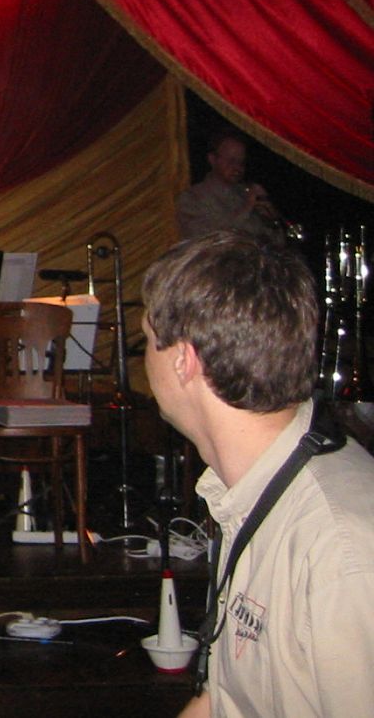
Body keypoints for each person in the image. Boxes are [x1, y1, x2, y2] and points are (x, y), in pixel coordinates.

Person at [141, 232, 374, 716]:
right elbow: (225, 700)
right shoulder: (251, 486)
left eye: (146, 340)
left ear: (184, 361)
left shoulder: (342, 550)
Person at [175, 129, 286, 244]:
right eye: (231, 161)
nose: (237, 168)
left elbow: (277, 243)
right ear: (212, 159)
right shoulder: (192, 198)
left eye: (241, 162)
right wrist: (246, 208)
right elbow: (207, 239)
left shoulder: (246, 194)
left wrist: (271, 221)